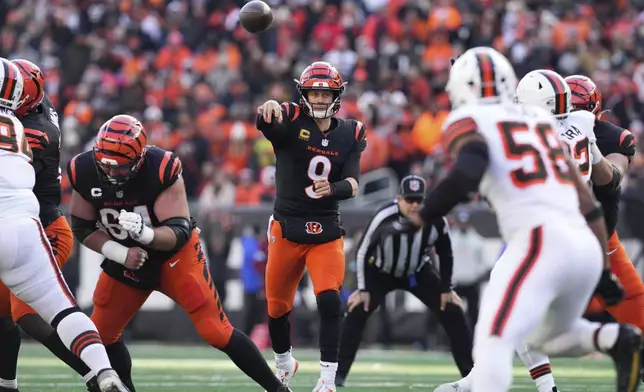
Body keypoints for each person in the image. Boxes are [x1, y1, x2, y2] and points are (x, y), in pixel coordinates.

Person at [413, 47, 640, 392]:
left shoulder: (481, 121)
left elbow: (466, 174)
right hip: (584, 236)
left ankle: (493, 383)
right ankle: (612, 338)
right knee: (542, 332)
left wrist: (422, 215)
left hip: (541, 238)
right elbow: (589, 195)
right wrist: (602, 265)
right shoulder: (553, 127)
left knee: (496, 336)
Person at [67, 114, 291, 392]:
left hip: (175, 258)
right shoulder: (84, 169)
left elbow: (179, 231)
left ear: (138, 161)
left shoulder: (161, 167)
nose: (110, 173)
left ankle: (278, 390)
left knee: (216, 332)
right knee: (99, 336)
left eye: (119, 167)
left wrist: (145, 234)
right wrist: (120, 253)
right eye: (105, 165)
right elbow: (82, 226)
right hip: (129, 257)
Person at [0, 57, 129, 392]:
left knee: (27, 314)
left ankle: (93, 375)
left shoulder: (36, 131)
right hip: (26, 229)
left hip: (46, 228)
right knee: (7, 316)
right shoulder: (26, 116)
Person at [256, 61, 367, 392]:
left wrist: (332, 189)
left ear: (337, 95)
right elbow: (267, 123)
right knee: (276, 308)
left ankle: (328, 381)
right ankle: (284, 364)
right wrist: (268, 110)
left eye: (325, 93)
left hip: (325, 229)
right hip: (287, 227)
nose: (319, 99)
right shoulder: (290, 118)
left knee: (329, 300)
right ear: (304, 94)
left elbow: (354, 183)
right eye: (314, 92)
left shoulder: (350, 132)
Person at [336, 175, 473, 387]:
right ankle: (339, 374)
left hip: (416, 272)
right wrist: (363, 288)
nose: (415, 205)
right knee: (356, 312)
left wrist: (446, 288)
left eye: (419, 200)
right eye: (410, 200)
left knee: (454, 311)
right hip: (381, 272)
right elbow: (363, 249)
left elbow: (446, 253)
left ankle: (470, 375)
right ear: (398, 199)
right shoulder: (384, 215)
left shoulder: (436, 219)